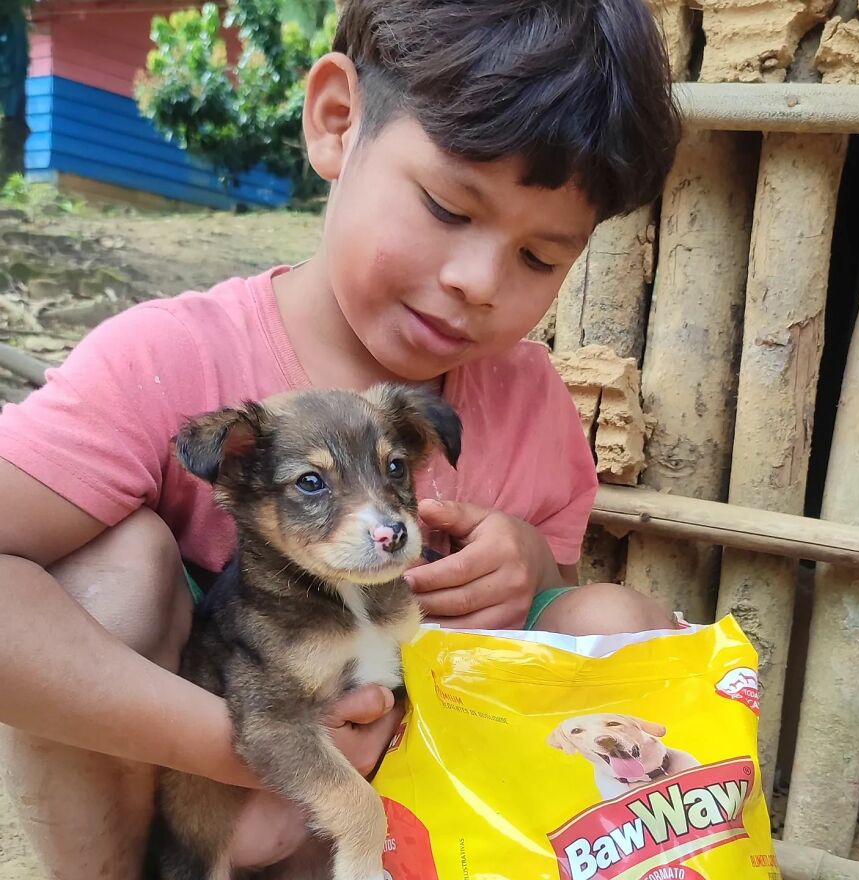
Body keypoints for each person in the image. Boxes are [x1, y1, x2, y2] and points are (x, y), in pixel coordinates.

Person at [0, 0, 681, 876]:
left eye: (540, 259)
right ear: (335, 120)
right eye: (446, 206)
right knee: (112, 565)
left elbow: (553, 624)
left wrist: (535, 571)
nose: (478, 282)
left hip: (400, 828)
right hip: (191, 804)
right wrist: (240, 742)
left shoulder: (527, 403)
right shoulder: (165, 359)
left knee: (617, 621)